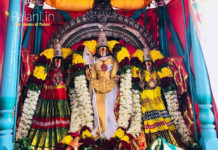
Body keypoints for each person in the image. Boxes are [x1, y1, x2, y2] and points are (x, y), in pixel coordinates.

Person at [27, 41, 71, 149]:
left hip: (61, 99)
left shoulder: (63, 71)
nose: (57, 63)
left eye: (59, 60)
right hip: (49, 99)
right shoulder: (48, 71)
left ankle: (62, 141)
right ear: (52, 60)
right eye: (55, 60)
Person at [140, 58, 182, 147]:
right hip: (147, 97)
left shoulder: (156, 72)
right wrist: (140, 78)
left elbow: (159, 83)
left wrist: (156, 84)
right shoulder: (142, 73)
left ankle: (170, 141)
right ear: (144, 64)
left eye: (149, 63)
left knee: (163, 116)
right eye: (146, 63)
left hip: (157, 96)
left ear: (152, 64)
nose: (148, 65)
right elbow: (142, 86)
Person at [88, 29, 119, 139]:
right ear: (97, 49)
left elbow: (114, 71)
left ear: (106, 49)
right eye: (100, 48)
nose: (102, 50)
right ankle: (99, 129)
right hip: (97, 86)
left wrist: (114, 78)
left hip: (110, 86)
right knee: (97, 108)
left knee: (108, 107)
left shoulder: (112, 59)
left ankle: (110, 131)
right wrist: (90, 76)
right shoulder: (94, 60)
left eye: (104, 48)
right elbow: (92, 74)